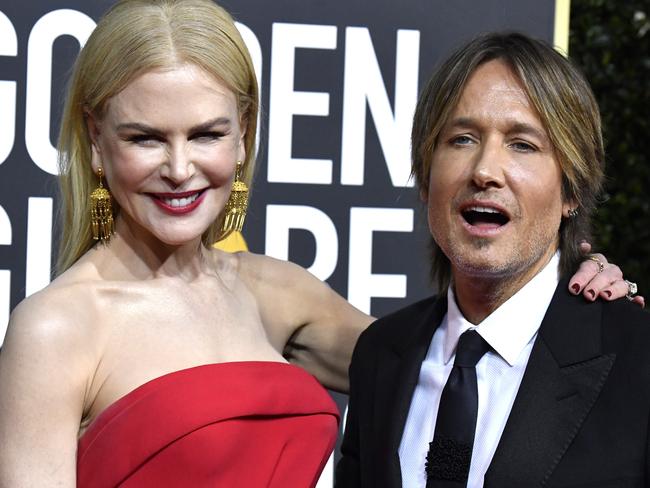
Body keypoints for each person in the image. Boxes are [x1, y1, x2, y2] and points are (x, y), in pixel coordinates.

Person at [0, 2, 635, 485]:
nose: (179, 168)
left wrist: (571, 279)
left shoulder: (274, 292)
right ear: (94, 141)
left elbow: (461, 363)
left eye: (206, 134)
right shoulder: (55, 330)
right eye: (145, 137)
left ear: (244, 136)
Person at [335, 32, 650, 488]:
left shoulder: (636, 360)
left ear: (573, 190)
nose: (484, 170)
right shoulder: (380, 355)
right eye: (462, 139)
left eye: (522, 144)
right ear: (425, 177)